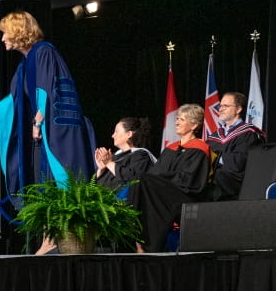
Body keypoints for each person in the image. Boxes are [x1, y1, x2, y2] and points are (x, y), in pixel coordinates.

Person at [0, 11, 94, 197]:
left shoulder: (44, 52)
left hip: (56, 133)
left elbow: (47, 91)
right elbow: (13, 101)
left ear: (17, 32)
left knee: (63, 186)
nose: (2, 39)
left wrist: (38, 122)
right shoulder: (25, 64)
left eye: (5, 32)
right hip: (41, 134)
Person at [127, 104, 213, 252]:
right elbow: (156, 173)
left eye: (182, 119)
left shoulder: (200, 148)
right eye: (177, 118)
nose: (176, 122)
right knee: (139, 181)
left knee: (146, 181)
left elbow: (190, 180)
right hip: (165, 193)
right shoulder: (171, 148)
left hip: (185, 197)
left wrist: (160, 180)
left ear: (194, 125)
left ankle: (149, 244)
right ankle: (134, 233)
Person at [206, 91, 264, 200]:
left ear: (238, 109)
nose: (221, 109)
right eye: (220, 106)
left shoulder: (248, 133)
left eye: (226, 106)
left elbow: (239, 162)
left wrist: (215, 159)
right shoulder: (214, 136)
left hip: (234, 182)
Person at [94, 117, 157, 194]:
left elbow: (133, 181)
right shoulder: (114, 157)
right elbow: (98, 187)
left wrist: (109, 163)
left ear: (129, 134)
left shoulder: (141, 156)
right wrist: (101, 170)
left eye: (116, 131)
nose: (113, 135)